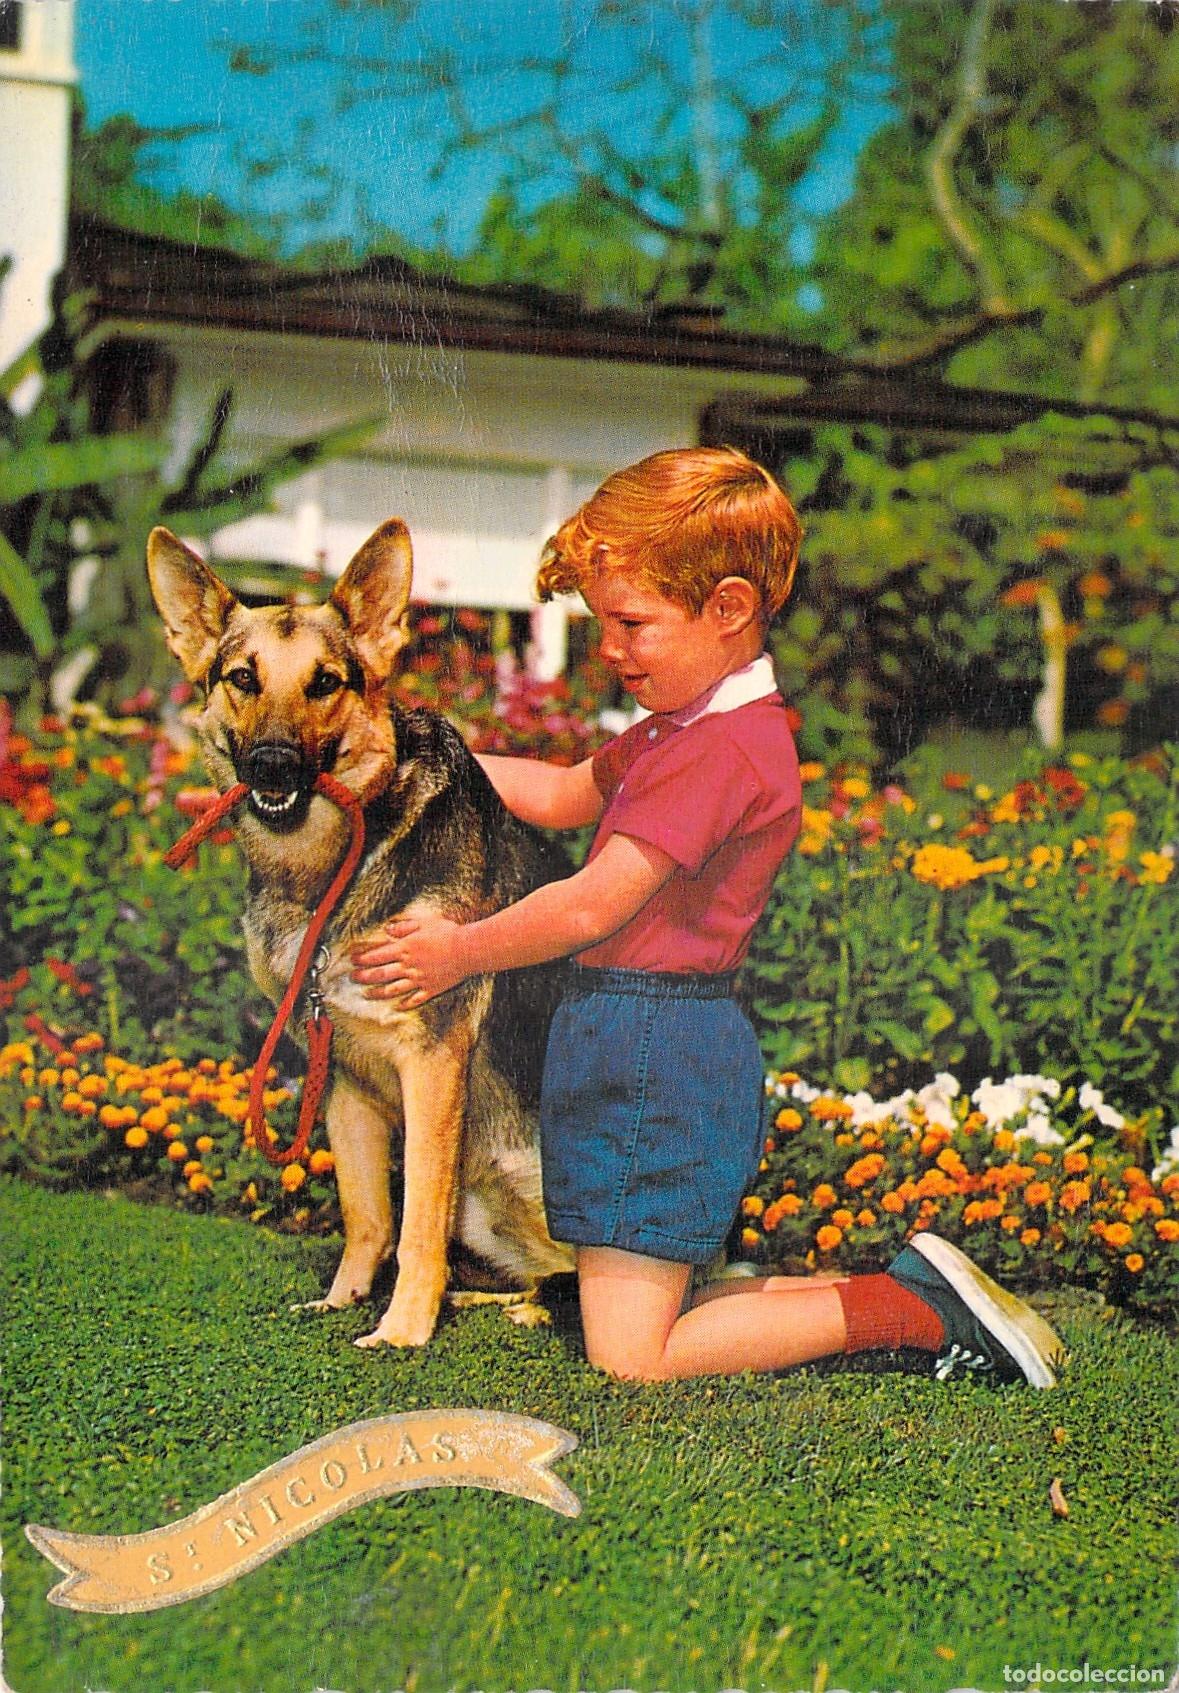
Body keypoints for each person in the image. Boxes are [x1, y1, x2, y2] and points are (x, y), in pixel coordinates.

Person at [350, 446, 1064, 1388]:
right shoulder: (680, 727)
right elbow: (565, 792)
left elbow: (590, 900)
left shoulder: (720, 752)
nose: (609, 648)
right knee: (647, 1304)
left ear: (727, 609)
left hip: (655, 1045)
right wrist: (412, 758)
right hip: (628, 1032)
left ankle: (906, 1311)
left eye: (631, 623)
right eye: (602, 622)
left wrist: (456, 948)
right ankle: (908, 1288)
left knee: (632, 1354)